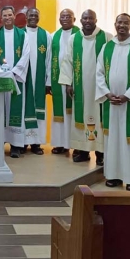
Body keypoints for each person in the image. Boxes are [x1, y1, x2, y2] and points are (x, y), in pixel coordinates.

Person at [95, 13, 130, 191]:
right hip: (112, 103)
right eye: (119, 22)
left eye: (126, 23)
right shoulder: (107, 47)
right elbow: (99, 72)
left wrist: (128, 95)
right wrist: (107, 94)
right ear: (115, 24)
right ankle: (114, 175)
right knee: (113, 141)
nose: (122, 26)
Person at [58, 9, 112, 165]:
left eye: (91, 18)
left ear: (96, 20)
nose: (88, 21)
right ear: (80, 21)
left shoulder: (106, 37)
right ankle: (82, 150)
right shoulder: (74, 39)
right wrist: (68, 83)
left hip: (101, 88)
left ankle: (101, 152)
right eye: (85, 18)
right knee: (80, 116)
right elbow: (67, 61)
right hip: (80, 87)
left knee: (100, 117)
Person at [0, 6, 35, 158]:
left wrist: (14, 72)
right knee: (0, 109)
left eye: (9, 15)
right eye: (4, 15)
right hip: (1, 78)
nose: (7, 17)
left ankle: (15, 145)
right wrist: (1, 72)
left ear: (14, 16)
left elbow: (26, 54)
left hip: (16, 78)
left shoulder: (22, 35)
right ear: (1, 18)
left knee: (15, 109)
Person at [49, 9, 79, 156]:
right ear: (59, 19)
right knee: (59, 113)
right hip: (58, 80)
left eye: (68, 16)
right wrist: (49, 81)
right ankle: (61, 144)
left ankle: (77, 145)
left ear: (74, 19)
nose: (65, 19)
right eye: (62, 17)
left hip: (76, 81)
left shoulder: (80, 35)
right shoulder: (54, 36)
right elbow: (49, 60)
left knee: (74, 113)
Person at [24, 8, 52, 155]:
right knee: (24, 108)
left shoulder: (46, 35)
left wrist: (48, 81)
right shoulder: (20, 33)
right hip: (24, 79)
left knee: (38, 110)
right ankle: (22, 141)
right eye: (31, 15)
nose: (33, 17)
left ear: (39, 17)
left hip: (39, 80)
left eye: (36, 15)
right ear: (26, 17)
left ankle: (36, 143)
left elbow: (49, 59)